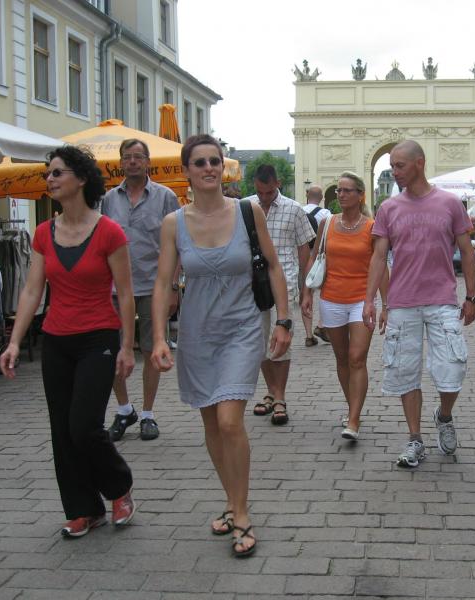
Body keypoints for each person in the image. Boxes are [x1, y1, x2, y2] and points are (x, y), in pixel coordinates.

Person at [149, 134, 291, 557]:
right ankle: (231, 500)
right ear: (187, 171)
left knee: (230, 421)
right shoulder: (174, 223)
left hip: (242, 329)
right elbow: (163, 283)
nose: (209, 168)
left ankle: (242, 513)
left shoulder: (247, 211)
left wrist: (284, 321)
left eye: (214, 161)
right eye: (200, 162)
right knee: (211, 424)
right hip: (197, 334)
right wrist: (158, 337)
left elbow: (274, 266)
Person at [0, 146, 137, 537]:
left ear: (81, 178)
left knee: (84, 426)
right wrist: (14, 342)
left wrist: (127, 347)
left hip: (98, 339)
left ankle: (119, 486)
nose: (50, 179)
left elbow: (126, 293)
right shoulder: (44, 233)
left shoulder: (109, 232)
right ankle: (83, 509)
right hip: (57, 341)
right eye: (48, 173)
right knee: (61, 430)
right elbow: (32, 290)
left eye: (57, 172)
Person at [363, 140, 475, 468]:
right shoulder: (389, 208)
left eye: (399, 165)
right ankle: (415, 439)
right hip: (402, 302)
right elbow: (379, 257)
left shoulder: (450, 203)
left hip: (442, 299)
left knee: (453, 368)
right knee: (404, 372)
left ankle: (444, 415)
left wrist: (471, 297)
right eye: (391, 166)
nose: (394, 172)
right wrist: (370, 300)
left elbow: (467, 252)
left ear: (419, 163)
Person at [101, 138, 180, 442]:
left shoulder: (165, 197)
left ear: (148, 162)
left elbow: (177, 244)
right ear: (120, 162)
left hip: (153, 286)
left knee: (150, 350)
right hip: (113, 288)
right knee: (110, 350)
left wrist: (173, 286)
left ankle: (147, 413)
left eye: (138, 157)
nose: (132, 161)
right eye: (127, 157)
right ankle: (124, 410)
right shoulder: (109, 199)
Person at [301, 171, 388, 441]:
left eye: (347, 190)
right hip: (331, 299)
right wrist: (307, 293)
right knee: (341, 358)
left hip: (362, 300)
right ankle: (353, 407)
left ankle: (353, 419)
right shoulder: (327, 222)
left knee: (356, 358)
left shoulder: (372, 227)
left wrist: (386, 304)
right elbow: (314, 256)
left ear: (360, 195)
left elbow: (381, 265)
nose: (340, 194)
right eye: (338, 190)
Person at [244, 164, 315, 424]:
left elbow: (304, 251)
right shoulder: (245, 207)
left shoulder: (294, 209)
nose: (264, 197)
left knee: (281, 341)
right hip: (254, 284)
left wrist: (306, 289)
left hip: (285, 284)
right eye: (260, 192)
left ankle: (280, 396)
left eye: (269, 192)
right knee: (260, 342)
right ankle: (271, 392)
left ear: (278, 183)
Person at [301, 184, 331, 346]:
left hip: (301, 257)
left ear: (307, 195)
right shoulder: (326, 214)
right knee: (325, 293)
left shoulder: (298, 210)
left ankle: (308, 335)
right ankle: (321, 324)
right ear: (321, 198)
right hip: (320, 259)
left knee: (306, 294)